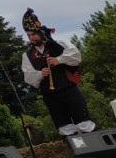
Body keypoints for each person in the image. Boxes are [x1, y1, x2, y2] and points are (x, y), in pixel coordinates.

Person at [21, 8, 95, 136]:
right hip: (50, 94)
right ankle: (75, 152)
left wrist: (59, 60)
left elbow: (76, 57)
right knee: (64, 125)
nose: (31, 38)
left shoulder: (59, 44)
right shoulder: (27, 55)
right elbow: (28, 76)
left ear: (40, 33)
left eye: (33, 34)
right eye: (28, 35)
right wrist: (40, 74)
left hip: (68, 88)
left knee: (83, 121)